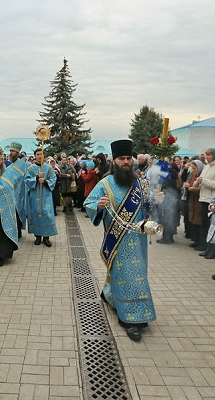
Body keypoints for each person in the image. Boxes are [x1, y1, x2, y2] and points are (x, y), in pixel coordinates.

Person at [84, 139, 156, 341]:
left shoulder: (141, 184)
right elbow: (88, 202)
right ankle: (130, 319)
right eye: (121, 159)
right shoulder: (105, 183)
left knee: (139, 274)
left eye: (128, 158)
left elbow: (147, 207)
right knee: (124, 275)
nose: (125, 162)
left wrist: (155, 202)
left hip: (139, 240)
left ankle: (121, 301)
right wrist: (98, 204)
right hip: (118, 242)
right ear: (114, 161)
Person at [193, 148, 215, 254]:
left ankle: (210, 248)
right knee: (204, 224)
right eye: (206, 155)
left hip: (212, 199)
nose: (206, 157)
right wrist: (197, 183)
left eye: (209, 155)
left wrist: (203, 181)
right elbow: (202, 181)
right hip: (203, 197)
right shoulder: (207, 166)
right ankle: (205, 246)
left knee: (210, 226)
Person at [26, 148, 57, 247]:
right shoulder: (31, 168)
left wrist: (45, 181)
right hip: (35, 196)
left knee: (46, 214)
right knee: (35, 214)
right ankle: (38, 237)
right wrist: (36, 178)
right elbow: (26, 180)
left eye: (41, 154)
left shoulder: (48, 168)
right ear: (35, 156)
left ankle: (46, 238)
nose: (40, 156)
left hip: (46, 195)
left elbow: (53, 179)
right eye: (38, 154)